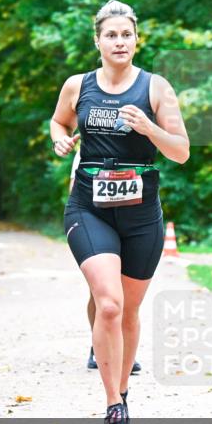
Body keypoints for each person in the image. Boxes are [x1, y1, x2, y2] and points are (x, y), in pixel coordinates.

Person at [51, 0, 189, 424]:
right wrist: (60, 141)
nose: (119, 41)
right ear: (98, 41)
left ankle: (124, 390)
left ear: (136, 40)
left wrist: (149, 128)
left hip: (142, 215)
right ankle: (113, 405)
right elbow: (58, 122)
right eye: (110, 35)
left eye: (126, 34)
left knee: (128, 310)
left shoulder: (155, 88)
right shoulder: (78, 86)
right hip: (88, 206)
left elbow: (181, 151)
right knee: (108, 303)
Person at [69, 145, 142, 375]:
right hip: (97, 223)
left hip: (131, 222)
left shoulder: (133, 143)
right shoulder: (88, 147)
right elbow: (74, 188)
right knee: (101, 295)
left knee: (127, 295)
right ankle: (97, 344)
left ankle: (123, 347)